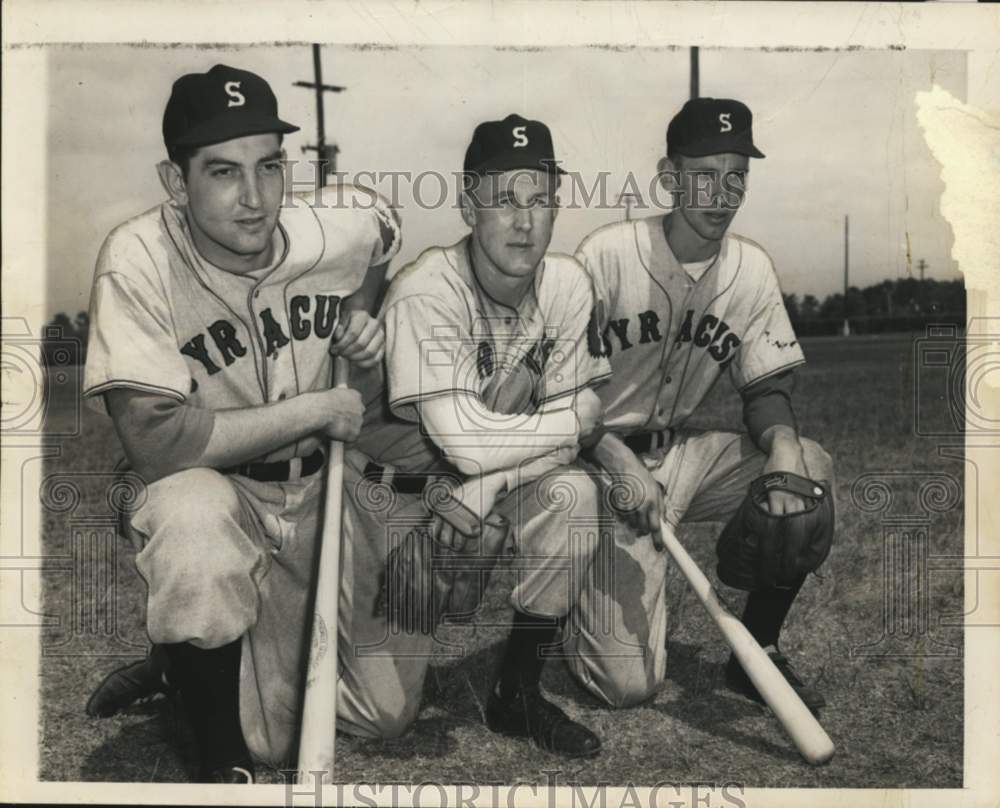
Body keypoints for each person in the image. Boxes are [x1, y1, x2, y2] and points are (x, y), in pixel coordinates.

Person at [82, 64, 400, 783]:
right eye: (223, 172)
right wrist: (317, 408)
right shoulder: (136, 259)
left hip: (314, 496)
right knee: (195, 524)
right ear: (175, 181)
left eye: (269, 167)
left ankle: (178, 659)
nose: (254, 200)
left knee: (384, 713)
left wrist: (362, 311)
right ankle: (221, 763)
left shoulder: (326, 229)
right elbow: (158, 439)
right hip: (204, 488)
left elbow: (383, 230)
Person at [333, 113, 610, 758]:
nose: (524, 220)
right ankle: (251, 656)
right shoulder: (426, 289)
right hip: (387, 500)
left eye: (539, 198)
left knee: (573, 496)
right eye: (504, 199)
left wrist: (491, 487)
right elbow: (468, 444)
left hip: (477, 491)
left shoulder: (568, 284)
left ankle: (516, 691)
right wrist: (577, 418)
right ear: (467, 205)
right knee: (383, 717)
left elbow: (528, 454)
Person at [564, 98, 835, 712]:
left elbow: (764, 388)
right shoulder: (606, 255)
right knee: (627, 688)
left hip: (681, 456)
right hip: (595, 462)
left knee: (810, 467)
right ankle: (571, 602)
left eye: (736, 176)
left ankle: (757, 650)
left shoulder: (751, 268)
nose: (722, 193)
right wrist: (614, 459)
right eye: (705, 175)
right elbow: (559, 388)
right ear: (669, 175)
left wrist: (784, 451)